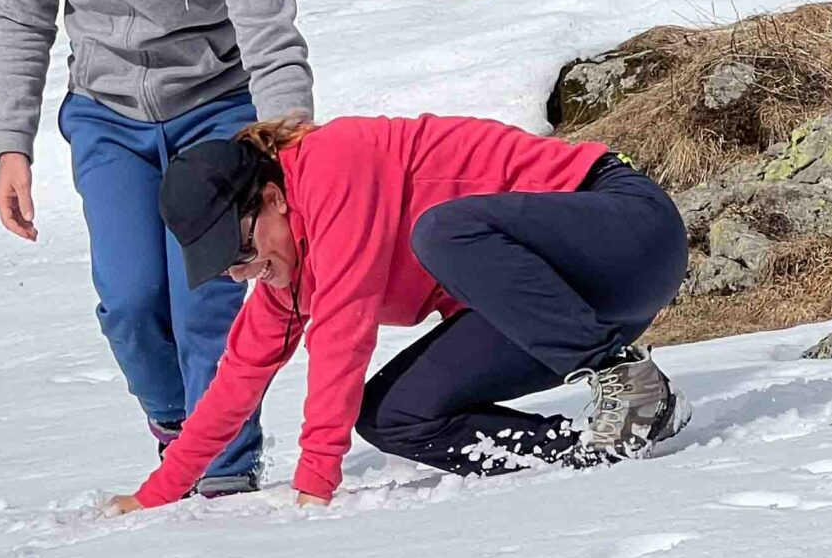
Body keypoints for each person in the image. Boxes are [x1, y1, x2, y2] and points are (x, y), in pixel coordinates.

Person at [0, 0, 314, 498]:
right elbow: (21, 17)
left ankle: (224, 469)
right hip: (108, 116)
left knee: (203, 300)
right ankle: (178, 429)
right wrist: (12, 146)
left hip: (215, 110)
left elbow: (269, 35)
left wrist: (290, 159)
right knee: (131, 301)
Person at [106, 113, 689, 512]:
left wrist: (315, 483)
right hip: (569, 305)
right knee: (393, 415)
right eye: (224, 267)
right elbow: (239, 376)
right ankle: (590, 447)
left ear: (273, 199)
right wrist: (156, 494)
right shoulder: (292, 265)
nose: (239, 272)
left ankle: (629, 384)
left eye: (237, 251)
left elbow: (343, 330)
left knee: (441, 232)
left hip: (627, 234)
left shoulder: (334, 163)